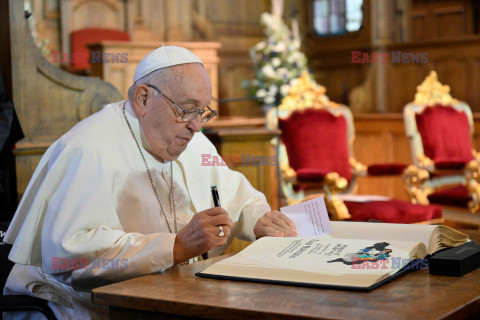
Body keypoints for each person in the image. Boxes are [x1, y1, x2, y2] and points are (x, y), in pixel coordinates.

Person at [2, 45, 297, 319]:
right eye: (186, 109)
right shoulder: (88, 149)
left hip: (166, 295)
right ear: (143, 99)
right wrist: (177, 247)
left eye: (203, 111)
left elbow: (236, 194)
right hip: (79, 304)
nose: (196, 125)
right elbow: (73, 258)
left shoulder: (192, 141)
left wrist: (258, 218)